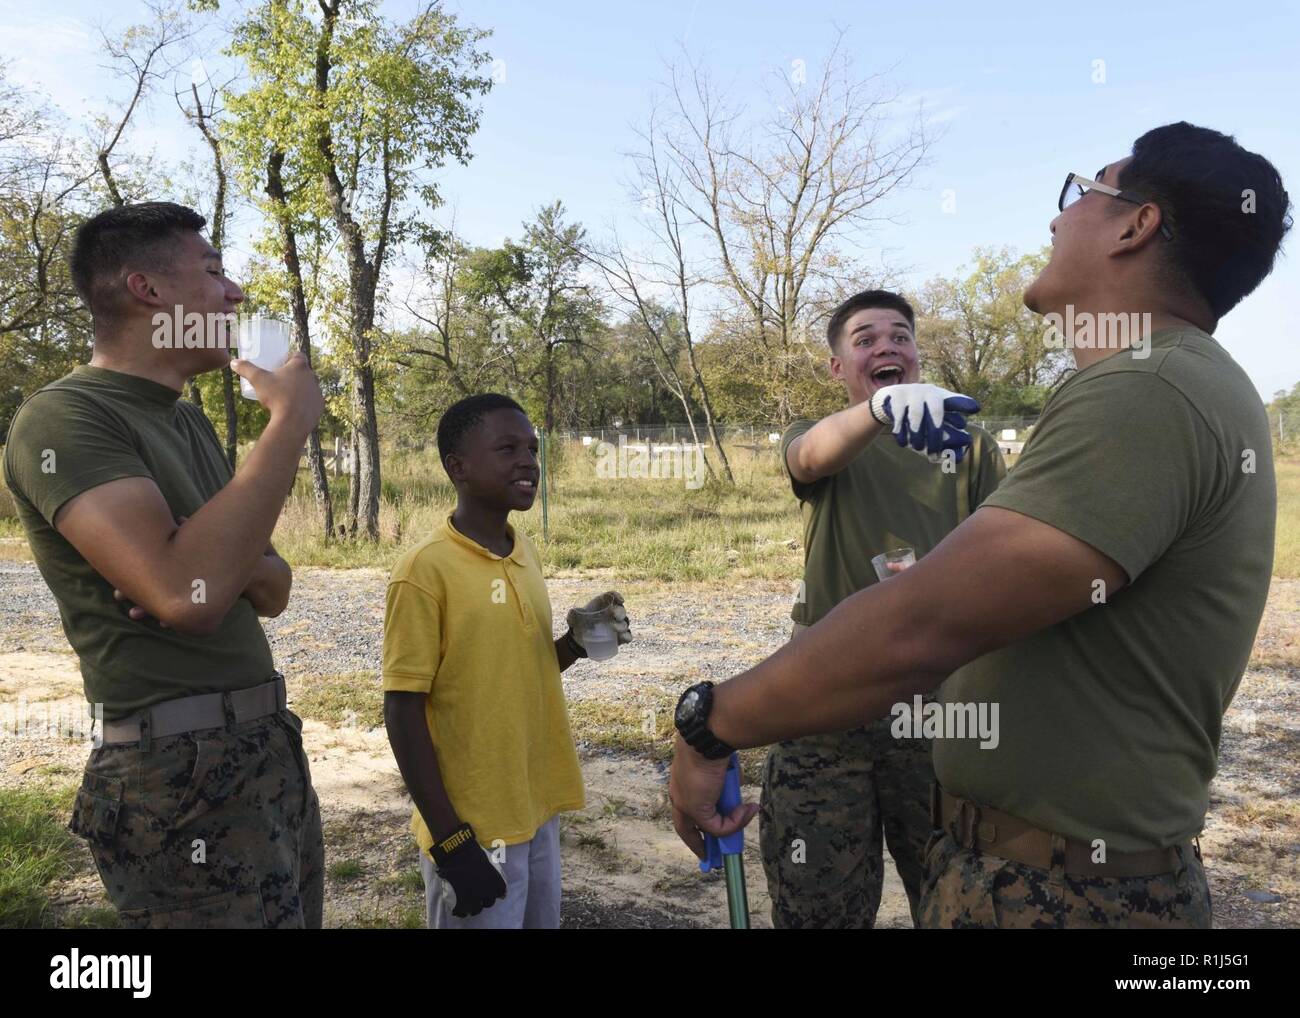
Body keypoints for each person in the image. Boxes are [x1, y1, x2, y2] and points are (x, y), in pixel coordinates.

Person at [669, 122, 1290, 928]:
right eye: (866, 340)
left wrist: (706, 724)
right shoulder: (1154, 384)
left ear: (1135, 226)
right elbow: (818, 465)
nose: (1056, 219)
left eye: (1081, 193)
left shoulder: (1145, 392)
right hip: (1035, 868)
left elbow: (919, 625)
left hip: (1064, 892)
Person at [2, 201, 326, 928]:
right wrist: (290, 423)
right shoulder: (64, 419)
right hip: (176, 777)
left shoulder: (185, 419)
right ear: (147, 289)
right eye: (214, 271)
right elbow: (189, 595)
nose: (236, 292)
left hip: (267, 751)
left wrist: (204, 558)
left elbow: (271, 586)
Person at [763, 289, 1004, 928]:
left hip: (936, 693)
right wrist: (879, 409)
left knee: (951, 890)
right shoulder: (821, 439)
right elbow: (808, 457)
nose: (885, 346)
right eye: (864, 339)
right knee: (818, 898)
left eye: (899, 335)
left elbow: (1001, 550)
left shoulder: (970, 446)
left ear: (917, 355)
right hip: (825, 692)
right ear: (838, 368)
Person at [382, 393, 632, 928]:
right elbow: (402, 710)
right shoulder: (424, 571)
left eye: (533, 449)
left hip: (534, 806)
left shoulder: (522, 551)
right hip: (473, 825)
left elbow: (520, 668)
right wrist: (452, 843)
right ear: (459, 467)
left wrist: (575, 642)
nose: (528, 461)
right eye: (507, 448)